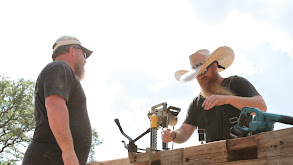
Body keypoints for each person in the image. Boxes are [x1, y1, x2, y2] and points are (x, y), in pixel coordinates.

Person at [161, 46, 267, 144]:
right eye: (197, 75)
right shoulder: (197, 102)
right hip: (214, 156)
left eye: (203, 72)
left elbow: (261, 107)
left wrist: (228, 99)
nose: (200, 77)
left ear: (214, 66)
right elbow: (184, 132)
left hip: (245, 153)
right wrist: (173, 135)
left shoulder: (236, 83)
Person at [23, 36, 93, 165]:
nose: (85, 60)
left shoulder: (61, 71)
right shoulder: (60, 67)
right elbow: (54, 105)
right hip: (51, 158)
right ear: (72, 50)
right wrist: (68, 152)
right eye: (84, 54)